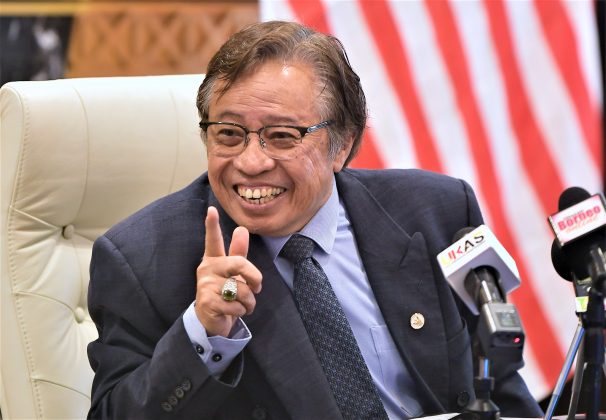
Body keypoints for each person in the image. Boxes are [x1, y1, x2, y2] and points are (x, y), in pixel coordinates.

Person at [87, 20, 543, 419]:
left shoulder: (435, 212)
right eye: (228, 134)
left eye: (282, 136)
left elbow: (499, 384)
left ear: (342, 144)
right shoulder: (142, 260)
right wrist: (203, 333)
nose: (250, 162)